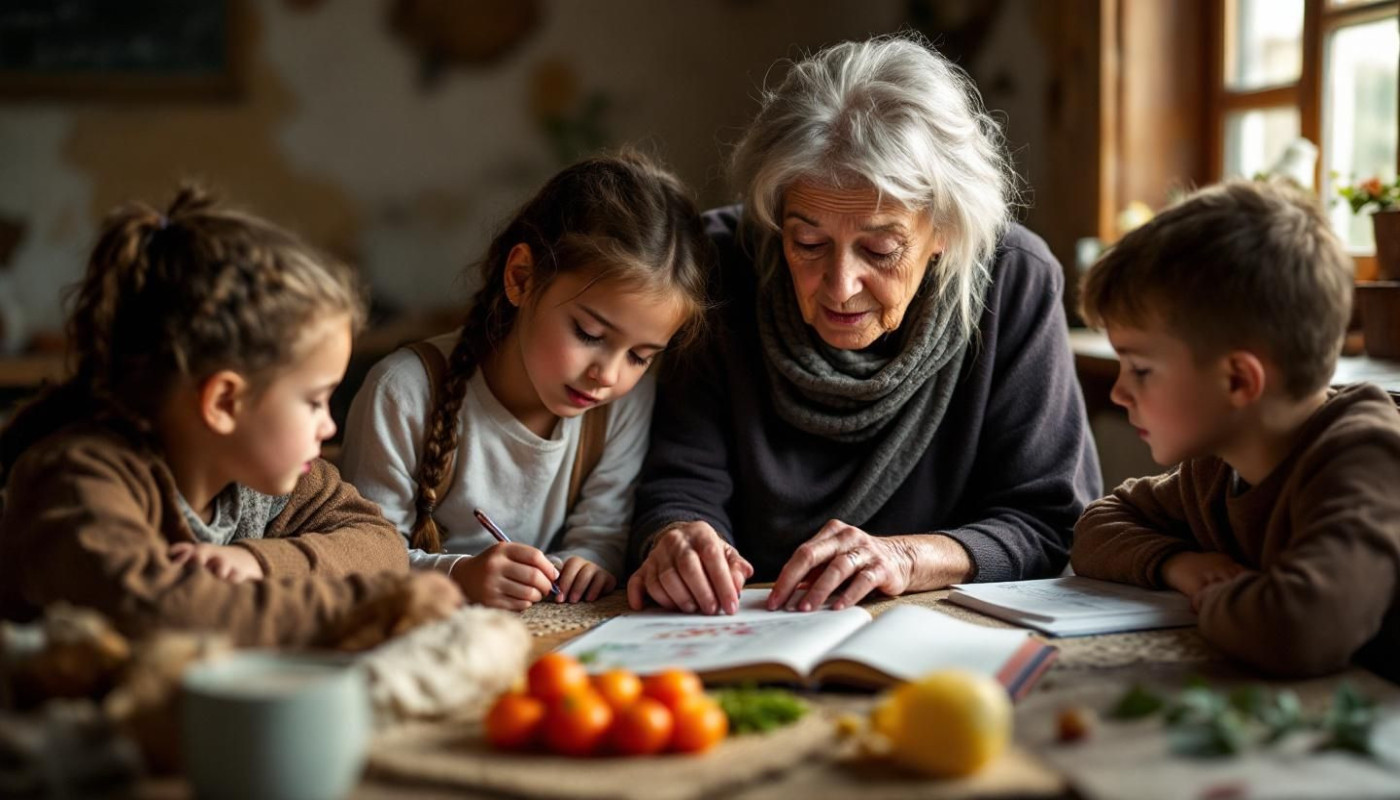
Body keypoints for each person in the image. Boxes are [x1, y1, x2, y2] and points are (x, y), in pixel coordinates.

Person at [628, 35, 1101, 616]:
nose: (839, 284)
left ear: (946, 230)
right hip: (745, 622)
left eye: (879, 249)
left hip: (934, 627)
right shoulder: (719, 264)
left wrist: (907, 557)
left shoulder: (1015, 279)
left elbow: (1048, 520)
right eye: (807, 241)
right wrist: (677, 536)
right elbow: (681, 479)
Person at [0, 186, 463, 647]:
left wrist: (262, 562)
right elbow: (159, 616)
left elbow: (380, 544)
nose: (329, 426)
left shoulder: (256, 472)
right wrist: (375, 605)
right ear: (224, 402)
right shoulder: (76, 480)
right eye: (314, 401)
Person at [340, 152, 712, 611]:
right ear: (521, 277)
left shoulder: (624, 406)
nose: (608, 375)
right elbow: (360, 558)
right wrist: (460, 577)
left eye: (640, 356)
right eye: (589, 334)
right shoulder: (402, 393)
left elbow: (600, 535)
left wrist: (587, 563)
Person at [1071, 180, 1400, 679]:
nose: (1119, 393)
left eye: (1139, 369)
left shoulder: (1365, 456)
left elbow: (1300, 629)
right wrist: (1179, 565)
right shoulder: (1217, 468)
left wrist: (1214, 598)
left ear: (1238, 380)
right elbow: (1096, 527)